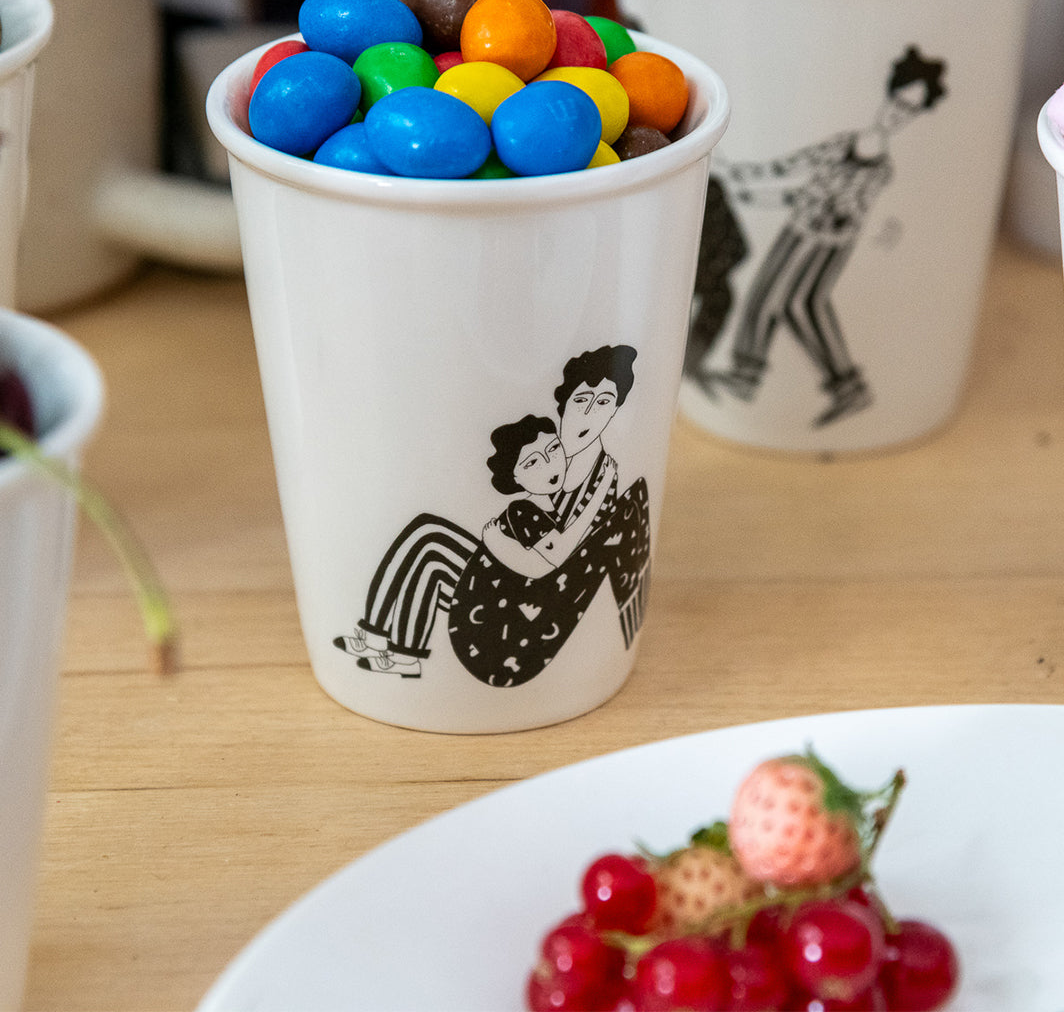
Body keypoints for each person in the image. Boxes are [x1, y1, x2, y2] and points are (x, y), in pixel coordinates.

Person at [332, 345, 650, 682]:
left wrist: (495, 539)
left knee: (431, 547)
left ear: (616, 409)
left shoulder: (602, 473)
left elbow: (557, 558)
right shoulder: (552, 449)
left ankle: (401, 653)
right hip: (505, 583)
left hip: (527, 612)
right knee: (426, 534)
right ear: (565, 401)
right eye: (582, 399)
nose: (589, 412)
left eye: (604, 402)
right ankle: (378, 637)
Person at [702, 46, 948, 427]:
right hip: (799, 230)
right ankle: (824, 385)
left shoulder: (880, 170)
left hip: (824, 243)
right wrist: (741, 176)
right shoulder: (847, 142)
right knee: (783, 301)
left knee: (787, 302)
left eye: (909, 110)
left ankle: (765, 380)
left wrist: (749, 193)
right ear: (888, 94)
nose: (898, 114)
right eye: (898, 102)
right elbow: (794, 167)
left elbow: (823, 202)